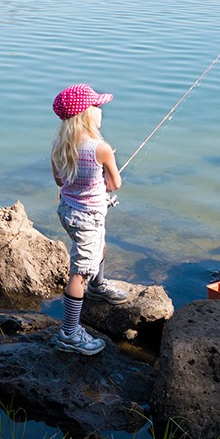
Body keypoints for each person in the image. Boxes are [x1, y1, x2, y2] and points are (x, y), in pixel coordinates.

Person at [50, 83, 129, 356]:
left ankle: (98, 286)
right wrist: (104, 178)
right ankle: (69, 333)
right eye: (97, 106)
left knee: (99, 247)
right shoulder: (101, 148)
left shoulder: (58, 147)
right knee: (80, 271)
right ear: (87, 114)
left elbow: (60, 181)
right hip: (88, 216)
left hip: (69, 212)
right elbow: (115, 183)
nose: (100, 110)